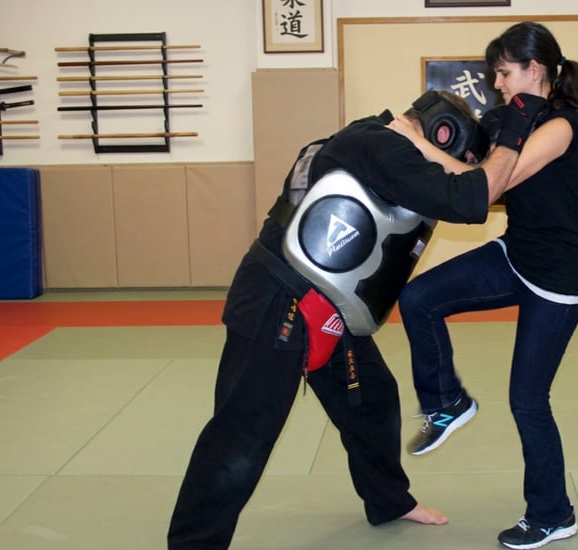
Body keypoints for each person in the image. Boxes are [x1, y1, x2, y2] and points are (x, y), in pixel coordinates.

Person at [167, 88, 548, 549]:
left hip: (333, 307)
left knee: (373, 402)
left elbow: (468, 193)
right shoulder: (378, 144)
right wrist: (513, 134)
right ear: (443, 130)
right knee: (241, 437)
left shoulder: (382, 147)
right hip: (278, 303)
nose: (455, 164)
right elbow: (468, 201)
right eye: (461, 154)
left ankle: (388, 500)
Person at [391, 22, 578, 550]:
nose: (496, 83)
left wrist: (420, 146)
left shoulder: (560, 127)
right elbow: (483, 177)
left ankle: (553, 514)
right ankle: (447, 402)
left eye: (503, 72)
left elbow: (490, 188)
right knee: (417, 298)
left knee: (528, 400)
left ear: (534, 70)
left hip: (557, 278)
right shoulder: (514, 119)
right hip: (517, 254)